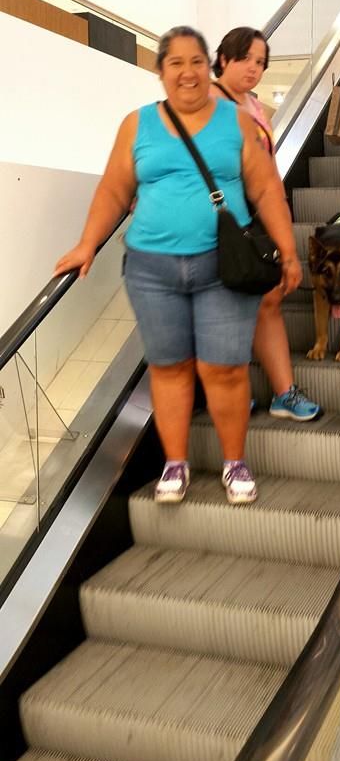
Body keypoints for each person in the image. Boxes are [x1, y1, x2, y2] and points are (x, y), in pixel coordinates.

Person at [54, 26, 302, 506]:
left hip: (223, 267)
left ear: (207, 67)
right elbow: (113, 190)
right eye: (175, 63)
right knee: (169, 368)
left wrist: (288, 251)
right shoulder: (137, 124)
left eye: (195, 62)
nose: (187, 73)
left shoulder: (237, 122)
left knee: (224, 369)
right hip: (151, 269)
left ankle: (234, 463)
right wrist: (88, 243)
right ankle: (175, 464)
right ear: (160, 71)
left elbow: (268, 188)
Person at [210, 27, 321, 422]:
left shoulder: (254, 108)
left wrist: (282, 218)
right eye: (247, 59)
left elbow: (269, 172)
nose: (254, 69)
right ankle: (226, 393)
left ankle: (283, 393)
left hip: (254, 221)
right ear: (224, 58)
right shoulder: (204, 101)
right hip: (214, 224)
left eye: (261, 63)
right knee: (220, 306)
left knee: (269, 299)